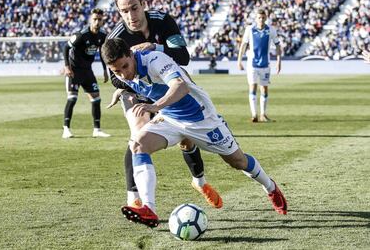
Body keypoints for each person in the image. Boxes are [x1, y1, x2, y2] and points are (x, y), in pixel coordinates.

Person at [101, 38, 288, 228]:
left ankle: (270, 187)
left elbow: (180, 86)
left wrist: (154, 107)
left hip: (202, 118)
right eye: (117, 71)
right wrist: (121, 90)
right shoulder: (124, 73)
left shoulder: (155, 59)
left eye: (125, 66)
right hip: (170, 119)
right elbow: (127, 77)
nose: (124, 73)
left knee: (238, 161)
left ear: (131, 56)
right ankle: (149, 209)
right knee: (138, 144)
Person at [106, 0, 222, 209]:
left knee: (187, 136)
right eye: (124, 11)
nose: (131, 16)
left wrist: (154, 47)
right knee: (138, 136)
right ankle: (134, 199)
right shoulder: (117, 37)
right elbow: (113, 77)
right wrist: (131, 84)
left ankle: (199, 181)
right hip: (137, 89)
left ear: (143, 4)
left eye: (134, 8)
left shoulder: (163, 21)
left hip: (167, 84)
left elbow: (183, 56)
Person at [62, 8, 111, 139]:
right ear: (91, 19)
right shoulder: (81, 35)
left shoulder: (102, 36)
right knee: (72, 98)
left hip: (87, 71)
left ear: (102, 21)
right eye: (94, 19)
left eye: (99, 20)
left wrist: (105, 70)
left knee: (96, 98)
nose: (97, 22)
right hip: (74, 70)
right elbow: (66, 48)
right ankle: (66, 129)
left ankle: (97, 130)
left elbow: (103, 53)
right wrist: (67, 67)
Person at [237, 9, 282, 123]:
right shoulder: (249, 29)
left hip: (265, 64)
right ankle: (254, 114)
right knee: (252, 87)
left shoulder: (271, 30)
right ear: (256, 19)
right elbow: (243, 45)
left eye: (263, 18)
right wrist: (239, 60)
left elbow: (277, 45)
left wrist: (279, 60)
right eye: (259, 18)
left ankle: (263, 114)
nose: (261, 20)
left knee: (264, 89)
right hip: (252, 64)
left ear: (266, 18)